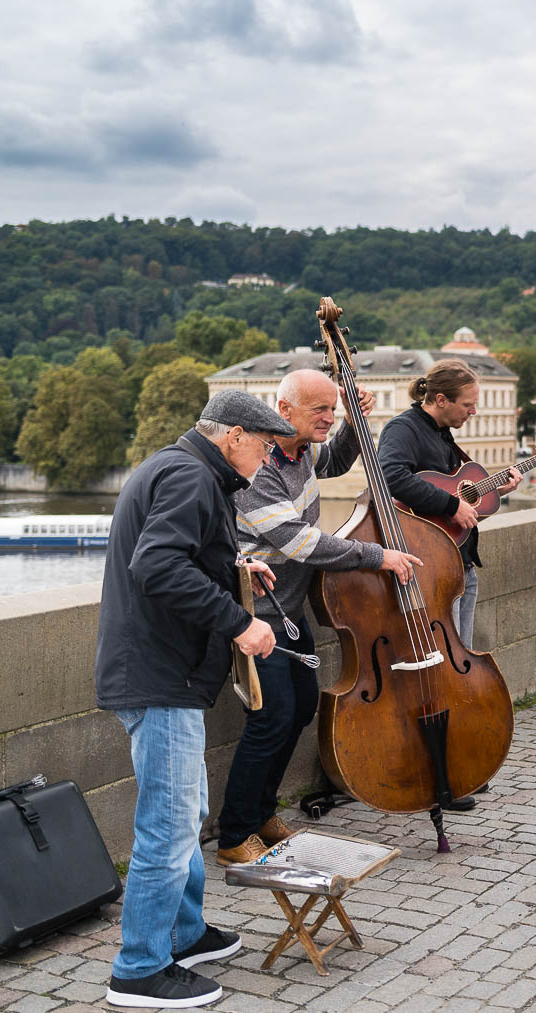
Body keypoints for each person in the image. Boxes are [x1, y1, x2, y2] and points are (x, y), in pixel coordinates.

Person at [95, 389, 289, 1009]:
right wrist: (239, 624)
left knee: (186, 809)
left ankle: (184, 935)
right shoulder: (189, 476)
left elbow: (182, 553)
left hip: (161, 672)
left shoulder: (177, 468)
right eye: (264, 448)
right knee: (169, 825)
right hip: (160, 675)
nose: (268, 462)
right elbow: (156, 566)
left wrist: (237, 567)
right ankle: (139, 970)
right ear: (232, 436)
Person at [216, 371, 423, 866]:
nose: (327, 419)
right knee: (270, 719)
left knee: (302, 708)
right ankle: (233, 835)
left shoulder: (300, 450)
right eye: (319, 411)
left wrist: (354, 420)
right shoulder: (259, 468)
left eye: (333, 409)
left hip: (290, 610)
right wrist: (376, 555)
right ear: (284, 411)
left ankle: (263, 813)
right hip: (257, 614)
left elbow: (337, 459)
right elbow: (300, 542)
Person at [378, 358, 520, 811]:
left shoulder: (442, 434)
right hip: (431, 572)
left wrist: (495, 490)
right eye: (467, 404)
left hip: (460, 565)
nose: (472, 413)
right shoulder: (404, 429)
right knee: (439, 675)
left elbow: (462, 493)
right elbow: (390, 477)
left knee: (460, 667)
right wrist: (449, 503)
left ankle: (460, 767)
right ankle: (441, 775)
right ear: (439, 399)